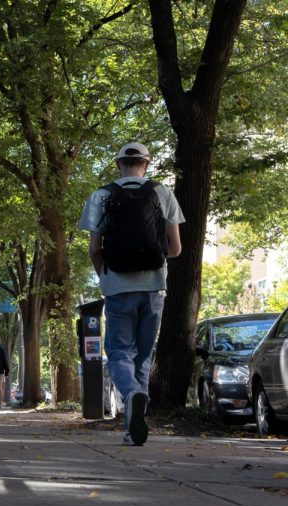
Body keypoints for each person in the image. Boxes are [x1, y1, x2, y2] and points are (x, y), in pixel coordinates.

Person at [78, 141, 184, 445]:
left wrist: (106, 279)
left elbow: (94, 250)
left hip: (118, 287)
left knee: (119, 352)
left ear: (118, 164)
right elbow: (175, 249)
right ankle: (135, 424)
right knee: (143, 354)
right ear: (146, 164)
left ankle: (132, 395)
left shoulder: (102, 195)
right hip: (153, 288)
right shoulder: (162, 193)